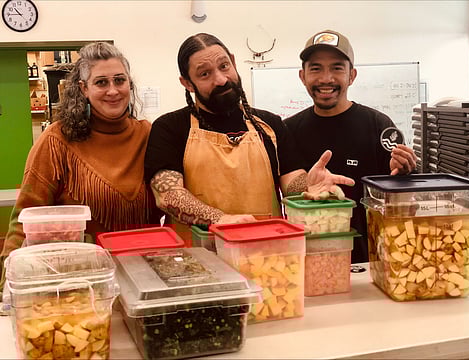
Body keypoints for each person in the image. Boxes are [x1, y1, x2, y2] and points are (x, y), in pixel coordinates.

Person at [144, 33, 354, 240]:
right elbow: (168, 195)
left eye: (224, 66)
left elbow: (291, 181)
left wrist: (308, 184)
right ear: (187, 83)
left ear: (233, 62)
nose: (221, 79)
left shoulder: (269, 125)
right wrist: (220, 219)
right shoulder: (170, 128)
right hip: (197, 264)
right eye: (204, 74)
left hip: (268, 256)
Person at [1, 42, 160, 274]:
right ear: (83, 88)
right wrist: (8, 283)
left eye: (119, 80)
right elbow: (26, 219)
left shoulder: (149, 135)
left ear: (129, 84)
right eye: (101, 82)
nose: (113, 90)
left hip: (145, 274)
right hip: (80, 280)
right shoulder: (57, 140)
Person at [284, 30, 417, 263]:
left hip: (370, 260)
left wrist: (403, 173)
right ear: (302, 76)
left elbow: (404, 205)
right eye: (316, 68)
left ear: (352, 75)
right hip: (306, 259)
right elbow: (289, 188)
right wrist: (309, 184)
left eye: (337, 68)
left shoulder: (378, 125)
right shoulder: (288, 130)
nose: (326, 78)